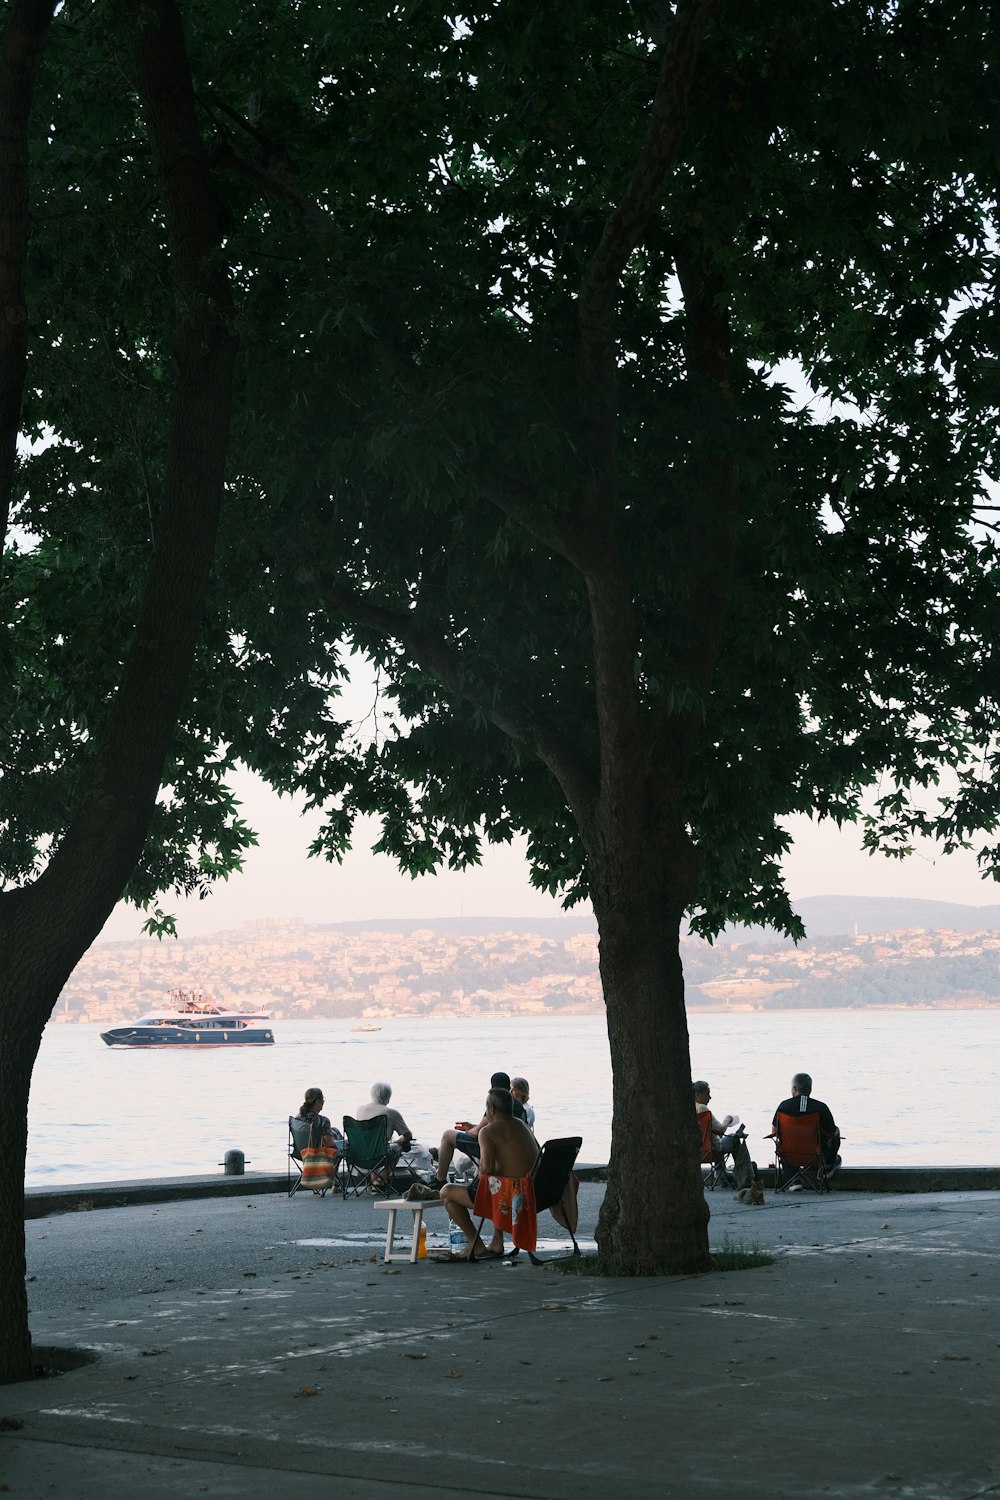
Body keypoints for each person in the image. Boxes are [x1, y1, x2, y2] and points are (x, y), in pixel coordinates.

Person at [434, 1087, 540, 1260]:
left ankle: (476, 1245)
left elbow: (486, 1168)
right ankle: (497, 1242)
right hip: (533, 1191)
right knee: (498, 1179)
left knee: (447, 1192)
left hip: (511, 1198)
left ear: (491, 1109)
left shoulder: (487, 1131)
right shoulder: (522, 1125)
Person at [406, 1071, 524, 1200]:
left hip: (494, 1151)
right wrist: (472, 1126)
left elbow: (478, 1132)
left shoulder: (496, 1102)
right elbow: (488, 1126)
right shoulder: (516, 1106)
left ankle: (439, 1181)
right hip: (512, 1156)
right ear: (509, 1086)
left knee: (447, 1135)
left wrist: (467, 1132)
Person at [771, 1072, 841, 1169]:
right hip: (815, 1156)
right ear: (810, 1090)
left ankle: (793, 1181)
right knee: (836, 1131)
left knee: (782, 1145)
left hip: (787, 1156)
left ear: (794, 1089)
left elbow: (774, 1132)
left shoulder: (783, 1106)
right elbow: (832, 1133)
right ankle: (828, 1165)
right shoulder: (821, 1107)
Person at [693, 1080, 742, 1166]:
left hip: (694, 1151)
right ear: (697, 1094)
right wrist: (728, 1119)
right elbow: (721, 1129)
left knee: (718, 1137)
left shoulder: (690, 1108)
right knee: (734, 1138)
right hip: (709, 1152)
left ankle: (722, 1175)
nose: (710, 1097)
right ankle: (744, 1175)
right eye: (707, 1094)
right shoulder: (702, 1109)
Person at [354, 1082, 413, 1152]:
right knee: (405, 1144)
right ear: (388, 1097)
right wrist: (397, 1140)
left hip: (360, 1154)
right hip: (381, 1157)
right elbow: (408, 1135)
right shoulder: (392, 1113)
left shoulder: (360, 1109)